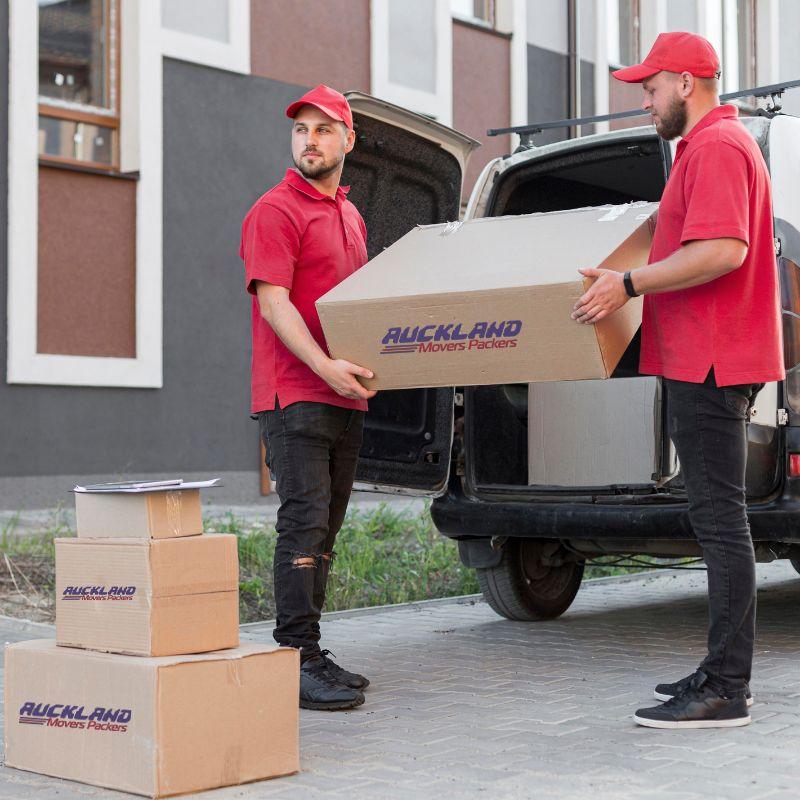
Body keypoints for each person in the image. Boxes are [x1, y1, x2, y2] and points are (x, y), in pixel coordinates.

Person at [572, 32, 784, 729]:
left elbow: (724, 250)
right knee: (716, 520)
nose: (645, 100)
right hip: (705, 357)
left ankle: (726, 687)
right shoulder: (708, 146)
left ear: (687, 82)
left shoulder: (718, 146)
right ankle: (719, 670)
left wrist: (627, 284)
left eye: (651, 86)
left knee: (721, 524)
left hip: (712, 360)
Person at [239, 85, 376, 711]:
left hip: (346, 395)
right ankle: (294, 656)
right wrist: (324, 367)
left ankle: (311, 650)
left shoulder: (350, 215)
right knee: (303, 524)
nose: (310, 141)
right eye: (301, 130)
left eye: (323, 130)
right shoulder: (275, 210)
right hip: (294, 394)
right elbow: (274, 304)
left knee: (326, 529)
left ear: (349, 140)